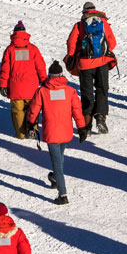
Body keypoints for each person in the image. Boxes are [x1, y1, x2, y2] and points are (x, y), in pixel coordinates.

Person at [27, 61, 87, 205]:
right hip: (66, 131)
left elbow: (34, 109)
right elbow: (77, 111)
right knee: (59, 159)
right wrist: (82, 127)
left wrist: (30, 123)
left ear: (49, 75)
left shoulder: (42, 91)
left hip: (51, 133)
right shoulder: (70, 91)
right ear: (61, 75)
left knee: (57, 164)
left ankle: (63, 194)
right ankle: (54, 177)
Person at [65, 2, 117, 134]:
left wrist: (71, 56)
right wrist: (103, 51)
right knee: (102, 89)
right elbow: (112, 42)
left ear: (84, 12)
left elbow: (71, 42)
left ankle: (87, 126)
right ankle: (100, 117)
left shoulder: (80, 25)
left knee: (86, 92)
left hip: (85, 63)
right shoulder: (103, 23)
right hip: (102, 63)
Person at [0, 21, 47, 138]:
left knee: (17, 111)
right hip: (31, 88)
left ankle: (21, 133)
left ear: (14, 34)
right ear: (25, 34)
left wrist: (3, 85)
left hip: (15, 88)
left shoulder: (10, 50)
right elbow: (41, 66)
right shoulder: (33, 49)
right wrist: (44, 80)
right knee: (32, 110)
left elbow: (5, 69)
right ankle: (33, 129)